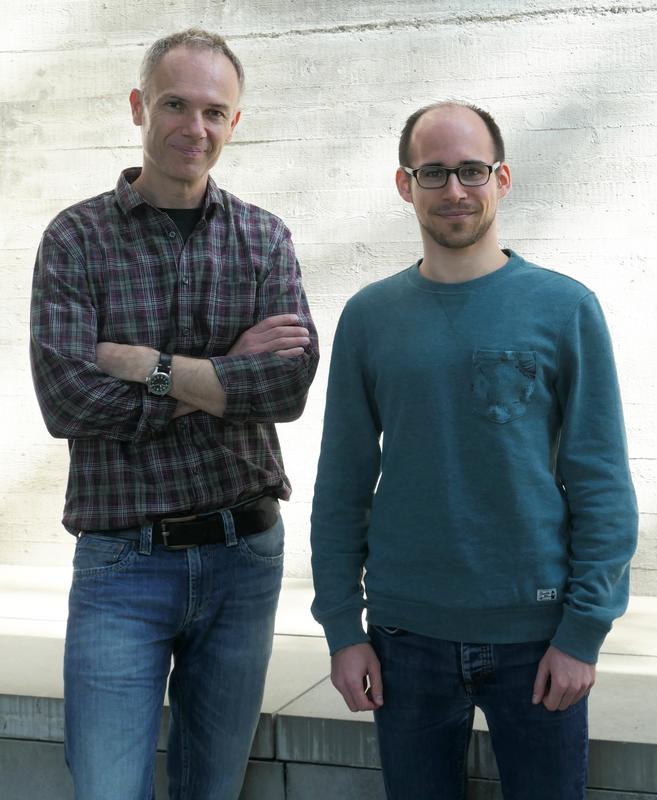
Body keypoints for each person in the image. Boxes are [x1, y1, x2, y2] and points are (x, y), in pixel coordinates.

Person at [310, 101, 637, 799]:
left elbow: (600, 482)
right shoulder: (369, 317)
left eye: (470, 170)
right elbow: (340, 483)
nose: (453, 190)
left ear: (501, 178)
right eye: (433, 172)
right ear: (405, 185)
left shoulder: (563, 308)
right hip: (405, 637)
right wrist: (342, 626)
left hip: (537, 635)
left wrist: (582, 632)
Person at [30, 28, 318, 800]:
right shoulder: (75, 238)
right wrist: (228, 370)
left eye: (215, 112)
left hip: (244, 558)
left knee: (210, 790)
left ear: (234, 122)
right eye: (175, 104)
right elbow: (66, 398)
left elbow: (286, 390)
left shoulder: (262, 237)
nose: (195, 128)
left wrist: (146, 366)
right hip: (123, 563)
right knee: (106, 789)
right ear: (138, 107)